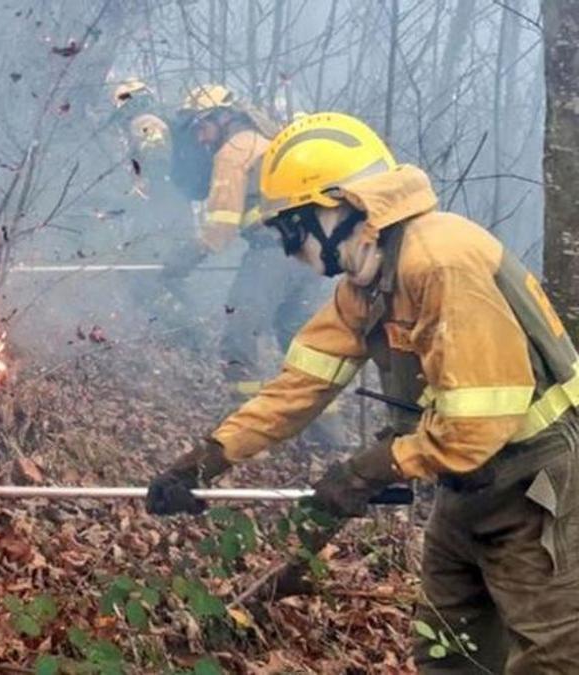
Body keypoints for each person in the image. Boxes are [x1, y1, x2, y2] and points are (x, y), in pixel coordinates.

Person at [146, 111, 579, 673]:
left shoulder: (441, 261)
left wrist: (369, 469)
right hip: (466, 485)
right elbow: (299, 387)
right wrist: (205, 461)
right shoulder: (370, 281)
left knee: (553, 659)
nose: (288, 249)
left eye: (291, 228)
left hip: (537, 484)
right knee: (448, 652)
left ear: (335, 207)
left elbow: (479, 422)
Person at [166, 84, 344, 447]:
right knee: (302, 344)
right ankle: (330, 437)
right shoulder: (268, 141)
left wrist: (184, 259)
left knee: (238, 338)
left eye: (200, 127)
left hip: (274, 252)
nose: (200, 138)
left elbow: (221, 225)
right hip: (309, 254)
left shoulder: (234, 152)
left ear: (220, 119)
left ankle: (247, 438)